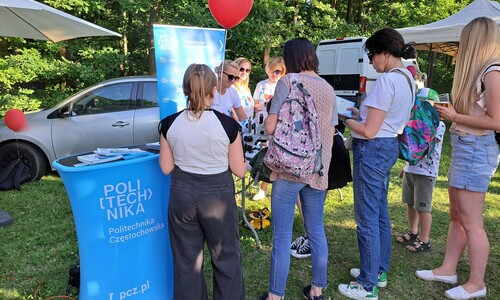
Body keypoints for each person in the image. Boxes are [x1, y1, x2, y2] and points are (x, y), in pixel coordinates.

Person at [416, 17, 500, 300]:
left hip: (477, 149)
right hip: (466, 146)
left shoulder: (493, 72)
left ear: (476, 40)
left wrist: (454, 116)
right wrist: (452, 112)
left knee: (471, 220)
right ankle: (448, 269)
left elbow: (497, 121)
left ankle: (477, 283)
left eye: (466, 39)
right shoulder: (481, 71)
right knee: (456, 215)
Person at [337, 28, 416, 300]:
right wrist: (360, 113)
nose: (371, 62)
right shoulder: (406, 78)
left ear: (385, 52)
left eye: (372, 55)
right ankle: (378, 271)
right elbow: (380, 118)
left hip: (372, 148)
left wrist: (344, 118)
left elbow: (369, 131)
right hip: (387, 146)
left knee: (367, 217)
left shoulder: (386, 82)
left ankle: (367, 284)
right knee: (379, 212)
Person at [158, 63, 247, 300]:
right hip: (218, 195)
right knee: (226, 257)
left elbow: (166, 167)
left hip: (182, 193)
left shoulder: (168, 124)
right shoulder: (228, 125)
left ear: (185, 90)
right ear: (213, 90)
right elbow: (239, 171)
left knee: (187, 261)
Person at [260, 37, 336, 300]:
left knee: (282, 234)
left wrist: (272, 112)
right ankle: (317, 290)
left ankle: (275, 296)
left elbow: (270, 128)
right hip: (317, 169)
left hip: (288, 167)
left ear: (290, 58)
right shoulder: (327, 88)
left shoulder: (288, 82)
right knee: (316, 229)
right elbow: (331, 130)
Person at [397, 116, 446, 253]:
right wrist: (404, 166)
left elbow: (426, 143)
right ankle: (413, 231)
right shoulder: (414, 121)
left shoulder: (438, 124)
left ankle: (424, 240)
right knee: (410, 202)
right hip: (410, 169)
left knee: (423, 207)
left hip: (426, 172)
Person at [251, 56, 286, 201]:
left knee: (273, 156)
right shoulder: (261, 85)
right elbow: (255, 104)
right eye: (272, 71)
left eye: (278, 71)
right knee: (260, 154)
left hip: (277, 125)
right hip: (261, 122)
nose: (274, 74)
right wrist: (265, 103)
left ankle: (264, 188)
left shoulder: (284, 85)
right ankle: (256, 178)